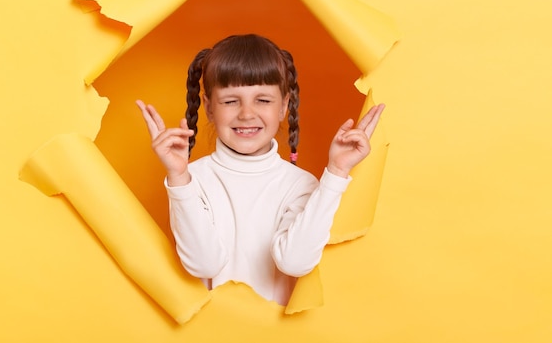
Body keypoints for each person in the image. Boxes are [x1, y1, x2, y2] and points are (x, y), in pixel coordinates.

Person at [136, 34, 384, 305]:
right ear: (208, 107)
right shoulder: (191, 179)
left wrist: (336, 172)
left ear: (284, 107)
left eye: (263, 100)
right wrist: (179, 177)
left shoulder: (300, 184)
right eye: (231, 101)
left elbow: (295, 263)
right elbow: (203, 265)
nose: (246, 113)